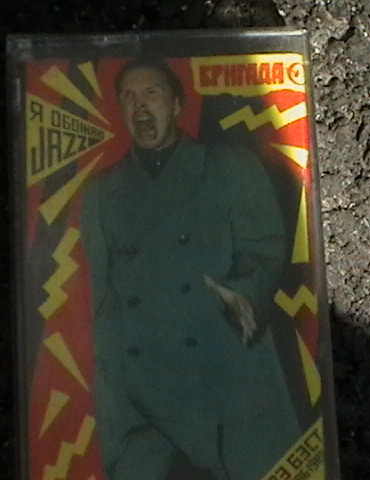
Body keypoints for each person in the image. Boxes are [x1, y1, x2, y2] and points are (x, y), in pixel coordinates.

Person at [80, 58, 300, 480]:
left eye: (151, 93)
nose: (139, 106)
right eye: (128, 97)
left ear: (178, 105)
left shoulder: (231, 167)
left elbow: (263, 248)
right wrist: (119, 414)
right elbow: (105, 311)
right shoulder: (102, 195)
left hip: (229, 378)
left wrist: (246, 294)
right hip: (148, 403)